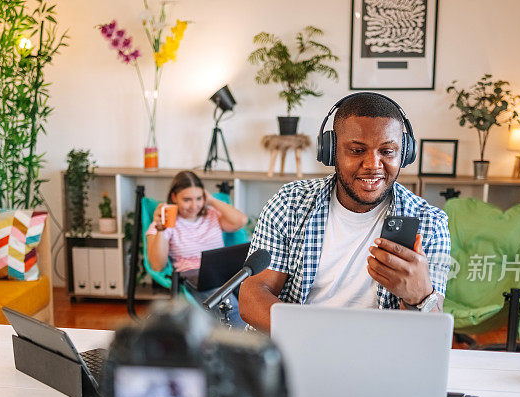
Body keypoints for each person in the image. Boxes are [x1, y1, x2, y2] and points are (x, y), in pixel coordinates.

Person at [239, 92, 451, 332]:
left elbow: (430, 331)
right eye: (357, 150)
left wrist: (420, 296)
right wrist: (317, 338)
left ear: (405, 152)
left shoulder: (430, 223)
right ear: (330, 152)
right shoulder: (290, 203)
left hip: (377, 356)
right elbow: (252, 296)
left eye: (387, 151)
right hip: (298, 347)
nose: (373, 164)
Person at [146, 170, 249, 327]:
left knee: (253, 299)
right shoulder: (166, 224)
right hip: (195, 276)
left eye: (199, 198)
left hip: (224, 272)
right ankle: (245, 343)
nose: (194, 205)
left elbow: (241, 220)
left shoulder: (212, 214)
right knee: (231, 309)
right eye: (187, 199)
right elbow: (157, 265)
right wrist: (161, 229)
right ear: (174, 197)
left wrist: (211, 200)